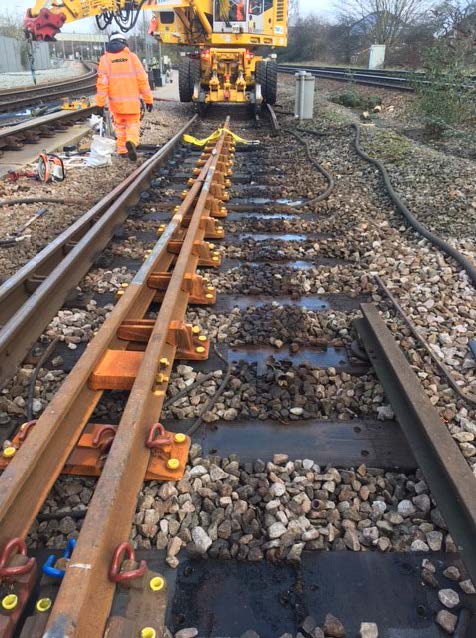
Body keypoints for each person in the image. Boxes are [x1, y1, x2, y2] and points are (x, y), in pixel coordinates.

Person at [96, 32, 154, 161]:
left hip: (116, 105)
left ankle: (122, 150)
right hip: (132, 103)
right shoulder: (132, 57)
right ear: (124, 43)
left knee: (120, 126)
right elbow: (143, 80)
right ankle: (132, 142)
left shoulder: (105, 60)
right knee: (133, 124)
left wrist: (100, 104)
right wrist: (148, 100)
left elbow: (102, 85)